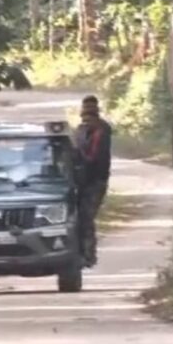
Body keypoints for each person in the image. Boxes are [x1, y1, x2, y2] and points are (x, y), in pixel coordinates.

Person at [73, 95, 112, 267]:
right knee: (78, 218)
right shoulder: (82, 130)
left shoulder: (100, 130)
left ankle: (88, 255)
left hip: (95, 180)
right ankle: (81, 253)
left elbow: (93, 157)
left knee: (86, 217)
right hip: (82, 181)